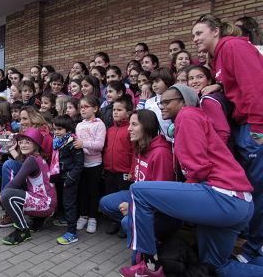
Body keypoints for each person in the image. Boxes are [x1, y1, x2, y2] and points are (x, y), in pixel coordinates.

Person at [123, 84, 260, 277]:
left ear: (184, 102)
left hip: (223, 195)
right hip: (240, 203)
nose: (162, 106)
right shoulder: (192, 118)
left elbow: (198, 168)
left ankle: (149, 266)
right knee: (215, 266)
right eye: (161, 102)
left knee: (138, 191)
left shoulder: (187, 115)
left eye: (168, 102)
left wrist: (175, 197)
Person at [192, 14, 263, 265]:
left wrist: (259, 130)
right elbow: (234, 83)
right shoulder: (219, 56)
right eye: (193, 35)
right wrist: (219, 86)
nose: (195, 39)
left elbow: (256, 87)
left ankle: (257, 247)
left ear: (215, 31)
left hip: (254, 127)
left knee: (258, 188)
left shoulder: (233, 46)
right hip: (244, 127)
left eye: (199, 33)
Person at [100, 109, 178, 272]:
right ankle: (141, 230)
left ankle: (147, 262)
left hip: (160, 210)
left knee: (126, 221)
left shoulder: (161, 153)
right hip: (140, 200)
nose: (129, 128)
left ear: (147, 127)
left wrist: (132, 209)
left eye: (134, 124)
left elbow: (161, 198)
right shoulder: (140, 146)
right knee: (105, 203)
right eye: (130, 124)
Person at [0, 128, 57, 245]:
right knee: (14, 191)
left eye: (27, 142)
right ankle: (37, 220)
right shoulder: (35, 158)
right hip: (47, 202)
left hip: (44, 203)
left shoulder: (32, 160)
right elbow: (21, 163)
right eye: (21, 142)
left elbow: (15, 183)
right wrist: (12, 149)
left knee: (8, 195)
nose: (23, 145)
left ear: (36, 144)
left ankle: (23, 231)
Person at [50, 115, 84, 244]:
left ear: (68, 130)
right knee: (64, 203)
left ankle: (72, 233)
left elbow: (79, 164)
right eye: (55, 129)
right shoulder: (57, 142)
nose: (57, 132)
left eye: (59, 129)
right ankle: (65, 220)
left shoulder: (73, 143)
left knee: (69, 204)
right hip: (60, 177)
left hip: (69, 179)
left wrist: (70, 178)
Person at [75, 95, 106, 233]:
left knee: (93, 192)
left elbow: (100, 145)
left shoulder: (99, 124)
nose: (82, 110)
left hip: (95, 164)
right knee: (82, 191)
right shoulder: (79, 125)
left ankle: (93, 218)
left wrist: (84, 144)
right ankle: (83, 216)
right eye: (81, 107)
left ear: (95, 108)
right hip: (82, 164)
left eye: (86, 107)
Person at [102, 96, 133, 235]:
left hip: (124, 172)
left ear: (128, 113)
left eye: (119, 110)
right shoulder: (110, 130)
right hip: (110, 170)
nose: (115, 112)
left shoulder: (130, 130)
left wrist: (132, 170)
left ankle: (124, 223)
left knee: (122, 199)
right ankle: (114, 221)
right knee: (110, 195)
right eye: (114, 109)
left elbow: (134, 152)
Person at [186, 65, 231, 144]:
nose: (195, 81)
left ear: (209, 81)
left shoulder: (207, 101)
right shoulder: (202, 98)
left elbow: (223, 132)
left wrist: (214, 153)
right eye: (191, 78)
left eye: (199, 77)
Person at [137, 68, 175, 140]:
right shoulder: (148, 102)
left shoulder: (175, 100)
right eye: (152, 82)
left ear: (167, 81)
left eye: (157, 81)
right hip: (157, 141)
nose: (154, 85)